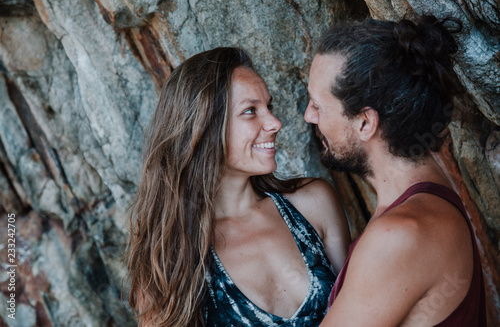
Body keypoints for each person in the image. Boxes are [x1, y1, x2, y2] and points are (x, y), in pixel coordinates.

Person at [126, 47, 350, 326]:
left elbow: (365, 310)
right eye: (250, 111)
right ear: (203, 129)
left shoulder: (314, 203)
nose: (274, 123)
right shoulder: (169, 260)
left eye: (269, 107)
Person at [304, 16, 487, 326]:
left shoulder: (398, 236)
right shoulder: (430, 189)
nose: (309, 116)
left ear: (365, 122)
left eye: (318, 105)